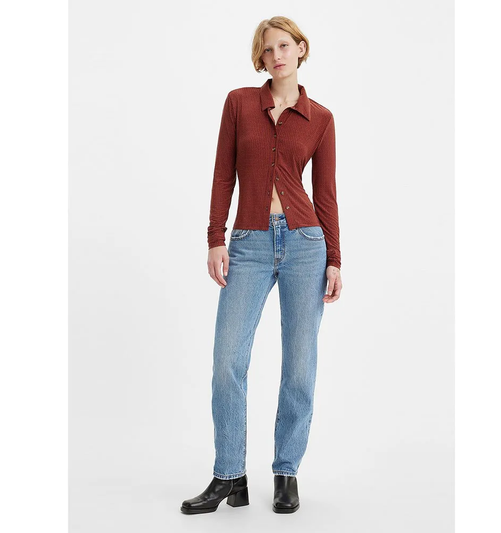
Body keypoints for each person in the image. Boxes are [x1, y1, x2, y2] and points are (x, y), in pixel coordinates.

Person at [181, 15, 343, 515]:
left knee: (300, 366)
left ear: (301, 49)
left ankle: (286, 471)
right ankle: (229, 474)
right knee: (227, 360)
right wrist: (215, 238)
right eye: (268, 49)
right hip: (248, 243)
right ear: (261, 58)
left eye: (285, 46)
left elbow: (326, 194)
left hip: (305, 245)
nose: (277, 55)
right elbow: (222, 174)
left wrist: (335, 259)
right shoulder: (238, 104)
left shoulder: (321, 119)